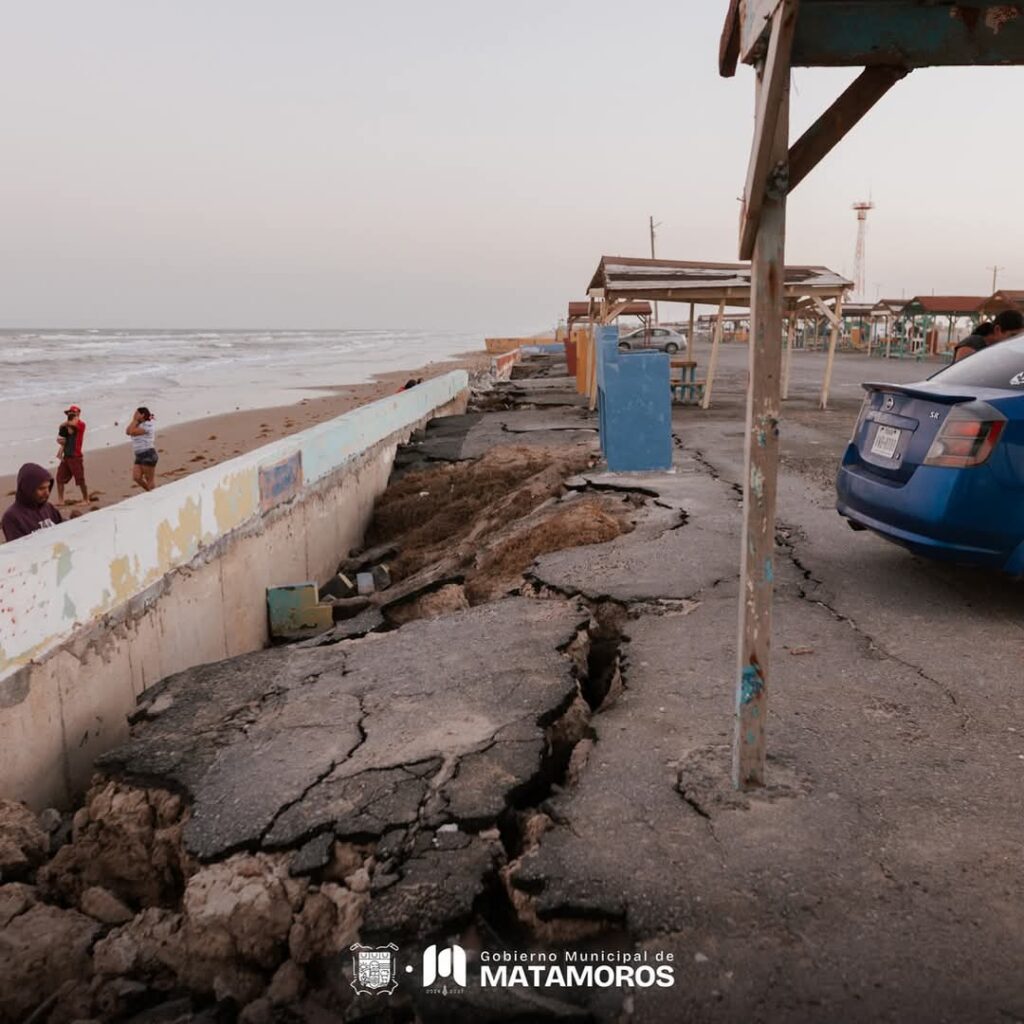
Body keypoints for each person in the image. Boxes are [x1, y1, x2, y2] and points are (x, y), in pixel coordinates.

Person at [2, 463, 63, 542]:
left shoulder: (49, 508)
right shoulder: (12, 517)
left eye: (48, 487)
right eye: (41, 488)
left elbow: (62, 530)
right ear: (27, 489)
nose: (47, 493)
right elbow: (19, 549)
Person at [55, 403, 88, 504]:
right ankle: (61, 500)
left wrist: (64, 424)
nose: (71, 415)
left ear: (78, 414)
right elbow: (63, 439)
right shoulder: (66, 426)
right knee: (59, 478)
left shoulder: (81, 424)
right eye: (70, 413)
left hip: (75, 456)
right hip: (67, 456)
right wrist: (60, 443)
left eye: (73, 413)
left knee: (80, 479)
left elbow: (72, 424)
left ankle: (86, 499)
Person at [126, 406, 158, 491]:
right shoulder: (137, 424)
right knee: (136, 477)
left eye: (136, 413)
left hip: (148, 453)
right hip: (139, 455)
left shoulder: (148, 425)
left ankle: (154, 495)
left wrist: (136, 420)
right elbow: (128, 431)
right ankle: (149, 492)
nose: (134, 415)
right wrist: (134, 420)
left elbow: (133, 432)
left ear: (142, 415)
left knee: (149, 480)